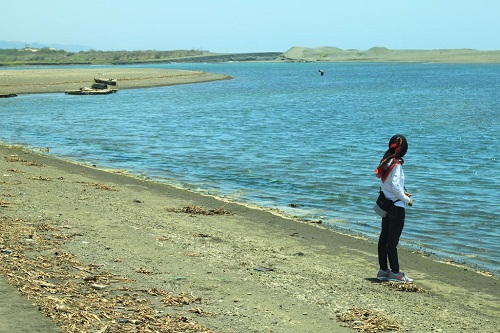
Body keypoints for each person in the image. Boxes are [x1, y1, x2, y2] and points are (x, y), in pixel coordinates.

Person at [374, 134, 414, 283]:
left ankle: (383, 270)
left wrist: (403, 192)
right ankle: (396, 272)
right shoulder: (396, 164)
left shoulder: (386, 162)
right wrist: (407, 199)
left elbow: (386, 185)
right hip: (396, 207)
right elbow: (396, 187)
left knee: (383, 238)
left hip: (386, 205)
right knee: (392, 241)